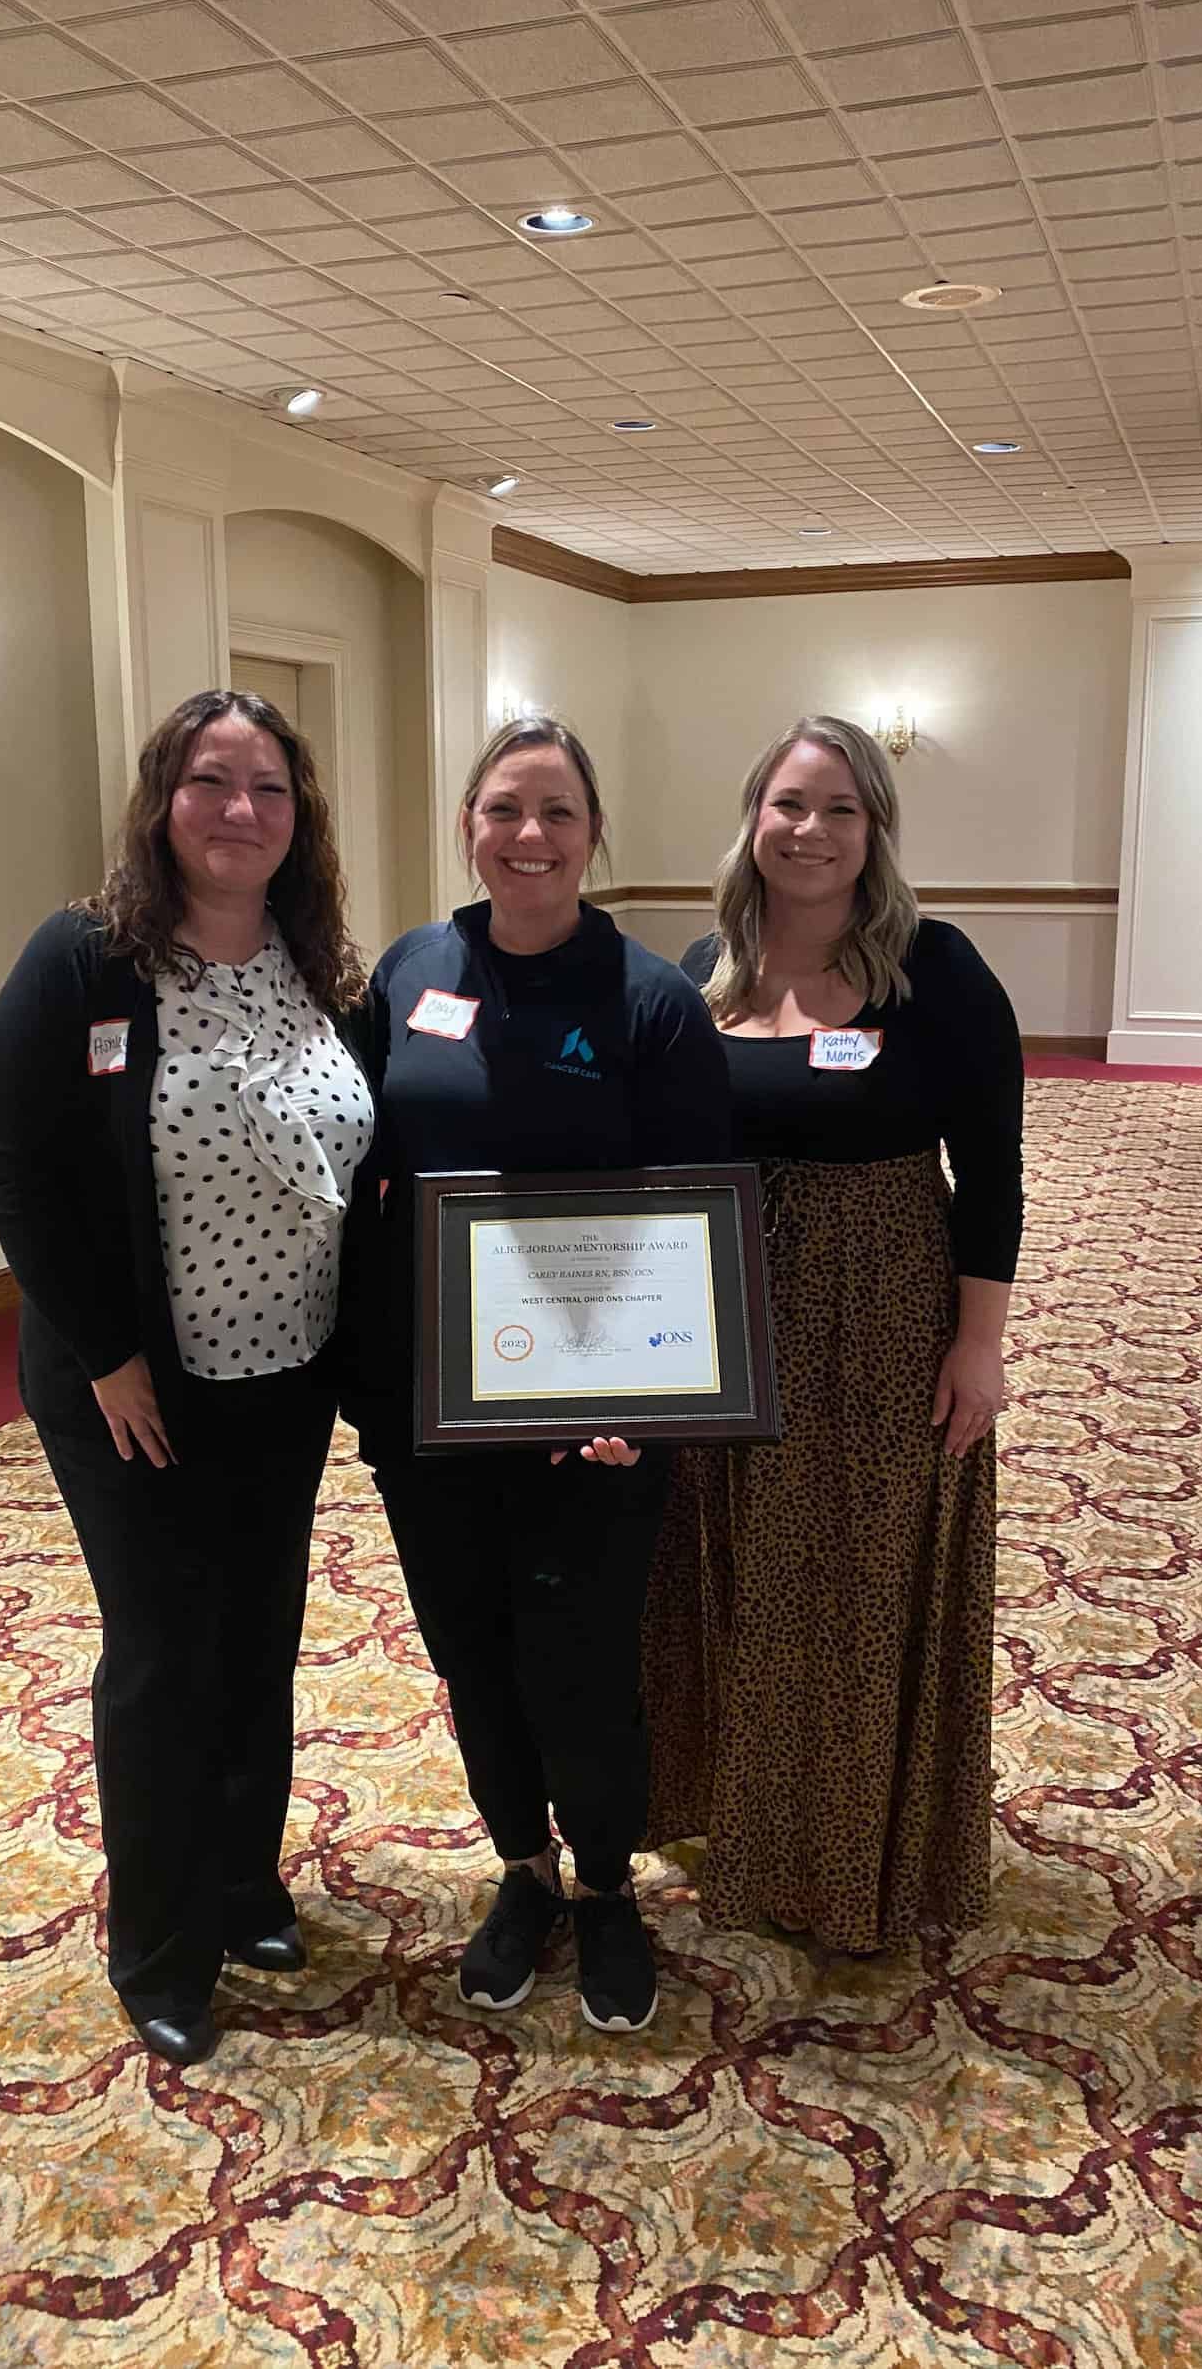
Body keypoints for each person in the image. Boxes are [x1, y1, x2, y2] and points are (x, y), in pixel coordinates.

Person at [0, 688, 376, 2066]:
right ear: (163, 801)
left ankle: (246, 1885)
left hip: (287, 1369)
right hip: (130, 1382)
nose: (240, 811)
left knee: (259, 1635)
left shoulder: (320, 963)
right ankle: (158, 1943)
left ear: (297, 816)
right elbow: (14, 1172)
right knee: (162, 1651)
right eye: (212, 782)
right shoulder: (85, 962)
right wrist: (112, 1355)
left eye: (267, 787)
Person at [345, 716, 729, 2033]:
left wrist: (648, 1399)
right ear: (467, 822)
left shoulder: (649, 1002)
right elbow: (353, 1167)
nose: (529, 836)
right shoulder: (410, 969)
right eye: (505, 808)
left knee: (580, 1655)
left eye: (557, 812)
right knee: (473, 1649)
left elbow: (694, 1209)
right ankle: (523, 1869)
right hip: (429, 1400)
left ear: (593, 835)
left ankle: (609, 1887)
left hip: (593, 1407)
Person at [642, 714, 1024, 1952]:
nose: (812, 832)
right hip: (727, 1312)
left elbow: (995, 1171)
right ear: (754, 816)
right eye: (790, 804)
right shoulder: (707, 965)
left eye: (841, 809)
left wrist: (978, 1343)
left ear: (875, 831)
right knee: (734, 1558)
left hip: (879, 1306)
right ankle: (739, 1816)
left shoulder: (937, 967)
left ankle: (851, 1854)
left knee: (857, 1576)